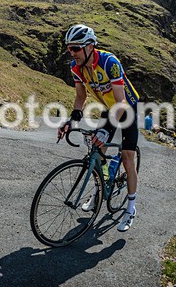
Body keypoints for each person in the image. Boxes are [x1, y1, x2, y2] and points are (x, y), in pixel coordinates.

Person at [57, 24, 141, 232]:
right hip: (108, 107)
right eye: (69, 48)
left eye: (75, 48)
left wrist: (105, 130)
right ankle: (100, 190)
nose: (72, 53)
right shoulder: (76, 68)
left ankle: (130, 207)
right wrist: (72, 121)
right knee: (97, 150)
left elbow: (121, 103)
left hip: (126, 107)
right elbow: (81, 96)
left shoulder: (109, 62)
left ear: (89, 46)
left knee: (128, 156)